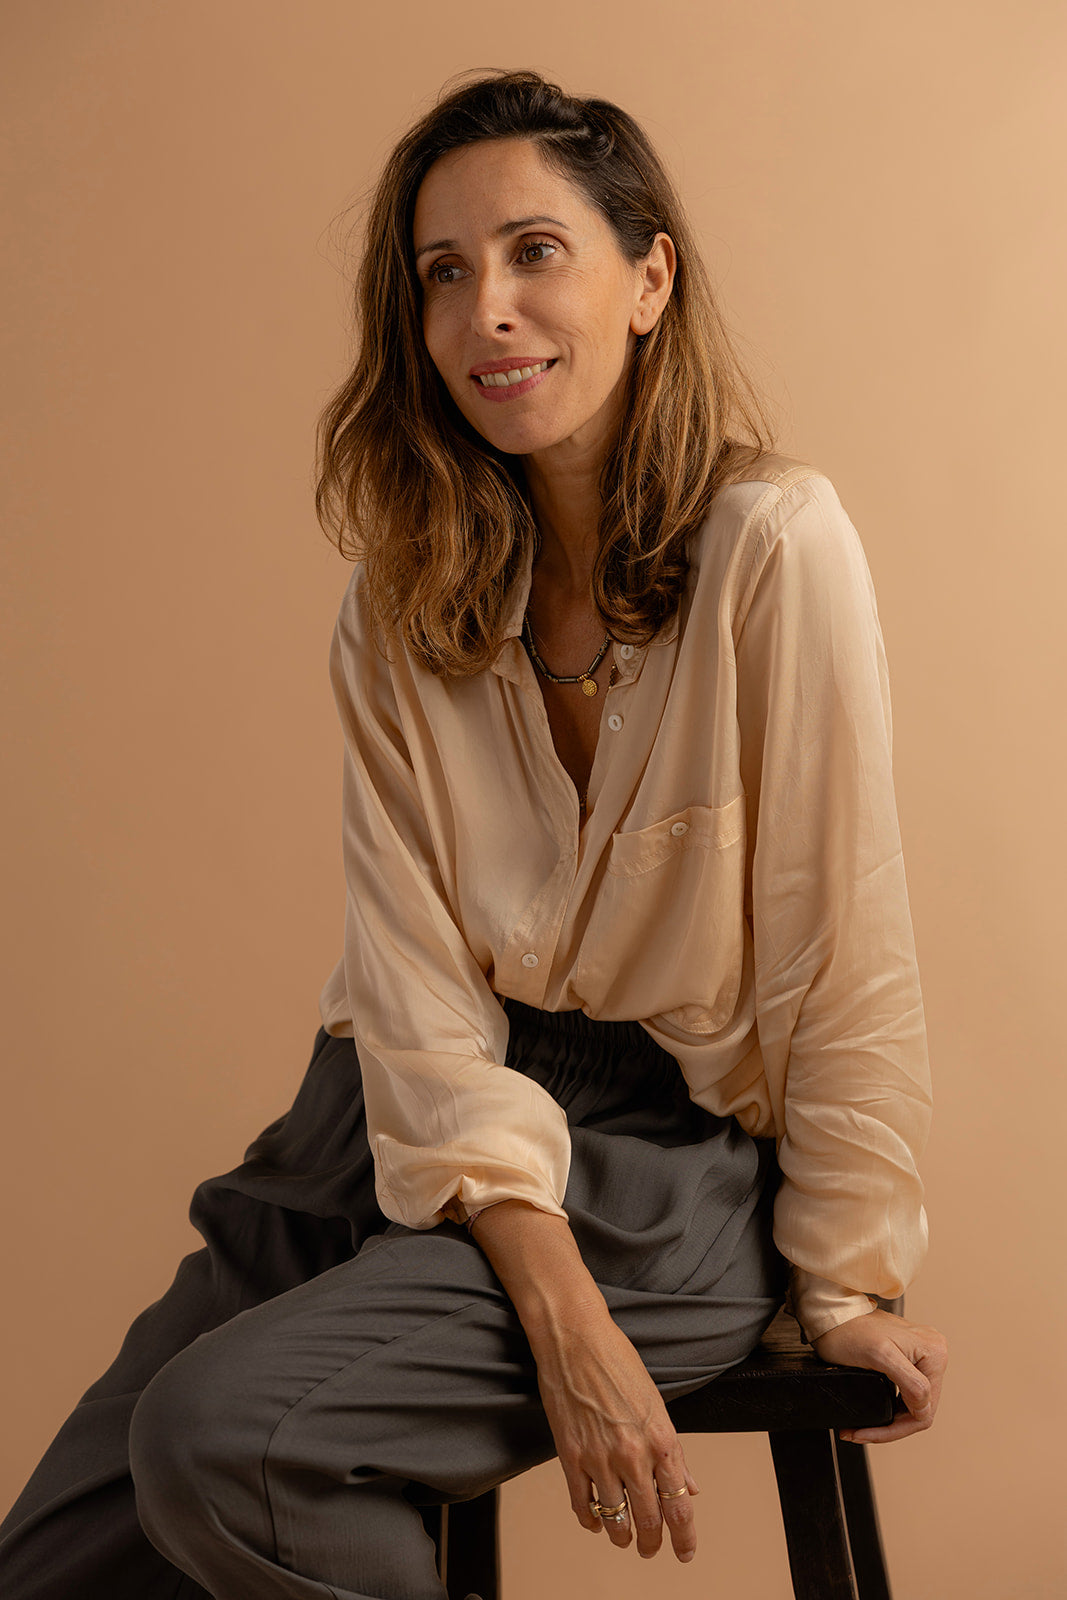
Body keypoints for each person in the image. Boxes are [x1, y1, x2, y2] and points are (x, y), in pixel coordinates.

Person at [0, 67, 948, 1600]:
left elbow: (844, 954)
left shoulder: (773, 548)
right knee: (52, 1568)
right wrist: (553, 1309)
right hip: (390, 1113)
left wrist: (845, 1284)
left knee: (225, 1442)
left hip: (662, 1163)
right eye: (443, 274)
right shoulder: (397, 607)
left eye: (533, 252)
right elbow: (420, 1001)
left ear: (650, 280)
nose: (485, 310)